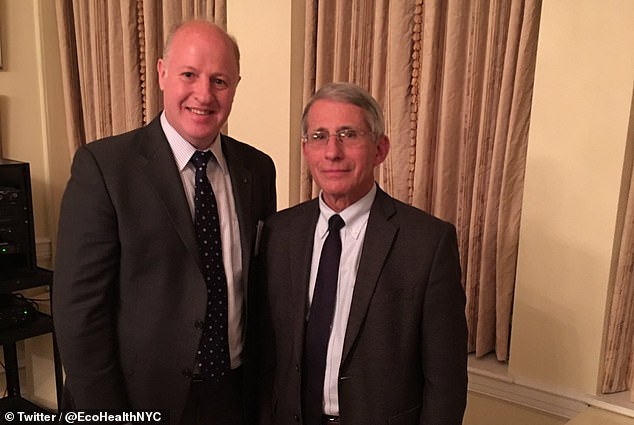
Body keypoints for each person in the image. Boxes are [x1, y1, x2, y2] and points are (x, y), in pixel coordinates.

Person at [52, 20, 276, 425]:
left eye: (220, 81)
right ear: (161, 74)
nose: (204, 95)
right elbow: (78, 313)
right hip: (138, 400)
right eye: (189, 75)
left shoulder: (257, 170)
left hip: (234, 393)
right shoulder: (104, 168)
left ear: (236, 85)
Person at [258, 82, 467, 425]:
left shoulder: (428, 243)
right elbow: (266, 355)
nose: (332, 152)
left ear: (380, 149)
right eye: (319, 136)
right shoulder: (279, 233)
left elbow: (445, 381)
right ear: (305, 149)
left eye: (348, 135)